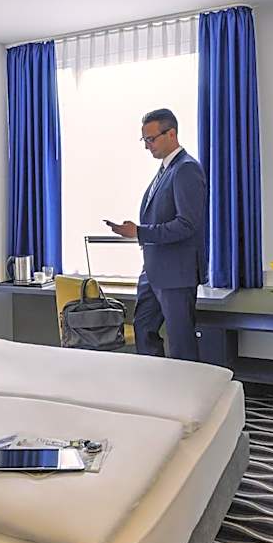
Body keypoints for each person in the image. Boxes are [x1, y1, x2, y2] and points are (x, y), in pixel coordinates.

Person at [106, 108, 207, 361]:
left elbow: (187, 224)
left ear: (171, 134)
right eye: (144, 140)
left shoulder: (186, 169)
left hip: (176, 274)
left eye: (150, 139)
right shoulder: (165, 169)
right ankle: (155, 381)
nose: (146, 146)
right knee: (143, 329)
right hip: (153, 271)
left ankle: (186, 386)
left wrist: (139, 232)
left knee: (181, 344)